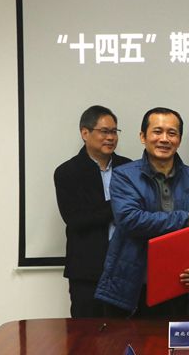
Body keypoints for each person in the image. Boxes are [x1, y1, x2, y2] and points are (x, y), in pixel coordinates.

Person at [94, 107, 189, 317]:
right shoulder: (124, 176)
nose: (164, 139)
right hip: (132, 285)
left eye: (172, 133)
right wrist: (185, 219)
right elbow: (130, 220)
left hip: (178, 283)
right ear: (143, 136)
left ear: (179, 139)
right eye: (157, 131)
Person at [54, 105, 131, 318]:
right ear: (85, 133)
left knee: (127, 331)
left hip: (125, 267)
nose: (111, 137)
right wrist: (119, 205)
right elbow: (76, 219)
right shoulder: (67, 172)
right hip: (87, 270)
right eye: (104, 131)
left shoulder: (130, 168)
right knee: (86, 333)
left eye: (114, 132)